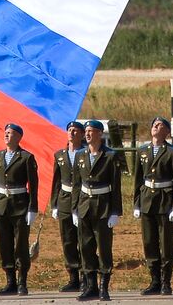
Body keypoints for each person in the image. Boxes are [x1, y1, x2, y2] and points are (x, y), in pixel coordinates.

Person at [133, 116, 173, 296]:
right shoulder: (143, 151)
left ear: (167, 132)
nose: (156, 126)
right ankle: (154, 280)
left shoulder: (172, 152)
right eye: (154, 124)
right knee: (149, 242)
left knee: (166, 243)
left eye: (160, 125)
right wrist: (136, 203)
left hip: (165, 200)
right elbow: (138, 179)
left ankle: (165, 282)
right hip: (147, 200)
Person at [75, 119, 124, 302]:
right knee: (86, 248)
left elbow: (116, 186)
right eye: (86, 131)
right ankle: (90, 286)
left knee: (103, 248)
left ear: (100, 134)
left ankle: (104, 287)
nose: (87, 134)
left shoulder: (110, 156)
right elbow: (76, 184)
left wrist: (115, 212)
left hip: (103, 206)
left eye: (91, 131)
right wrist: (74, 209)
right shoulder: (81, 155)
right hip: (84, 206)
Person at [0, 122, 39, 297]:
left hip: (20, 205)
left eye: (10, 133)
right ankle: (9, 280)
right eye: (6, 132)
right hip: (2, 205)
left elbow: (33, 186)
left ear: (18, 137)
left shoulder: (26, 158)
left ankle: (22, 281)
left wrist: (32, 208)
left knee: (20, 245)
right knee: (4, 244)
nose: (7, 135)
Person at [50, 120, 88, 294]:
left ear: (81, 134)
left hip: (82, 198)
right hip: (65, 198)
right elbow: (56, 181)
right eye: (69, 130)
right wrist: (55, 204)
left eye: (75, 131)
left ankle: (87, 276)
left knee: (84, 239)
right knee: (68, 239)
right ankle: (73, 277)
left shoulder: (86, 153)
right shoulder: (60, 155)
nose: (72, 133)